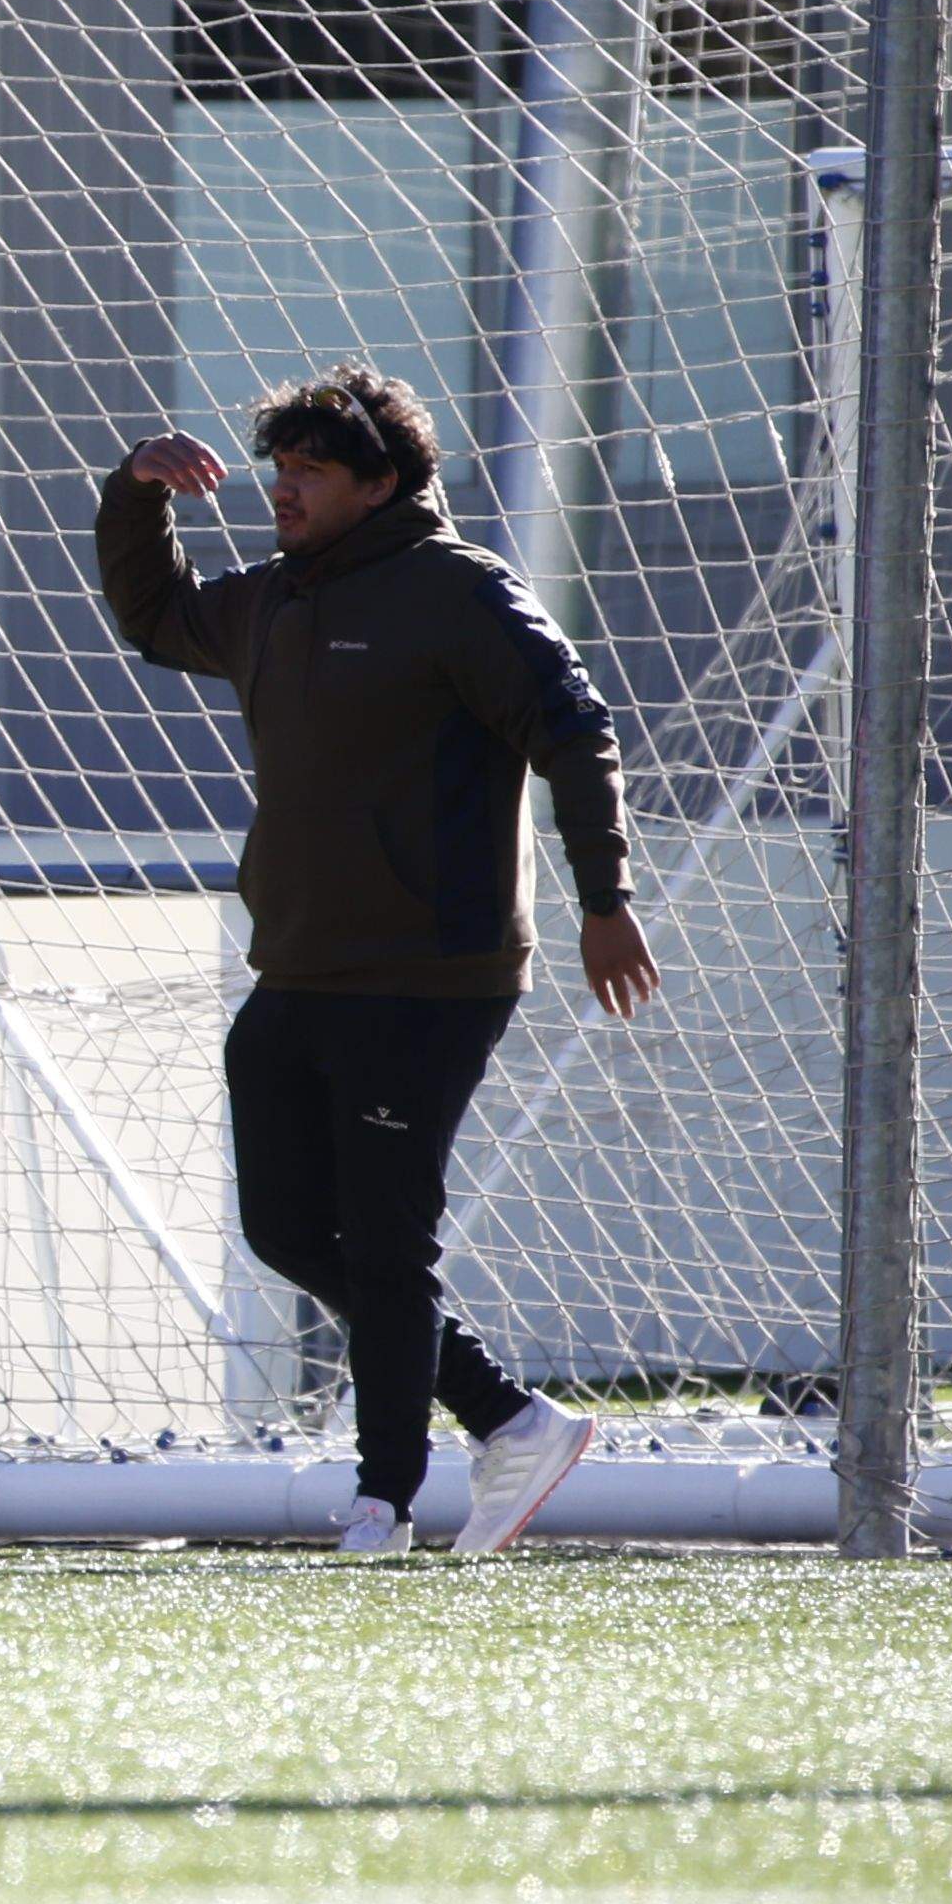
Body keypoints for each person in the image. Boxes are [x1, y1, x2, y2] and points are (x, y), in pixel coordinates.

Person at [100, 362, 651, 1558]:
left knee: (388, 1243)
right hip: (297, 968)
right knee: (290, 1230)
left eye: (310, 473)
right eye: (278, 470)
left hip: (430, 977)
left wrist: (603, 899)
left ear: (380, 484)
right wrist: (136, 494)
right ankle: (509, 1418)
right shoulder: (274, 600)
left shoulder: (457, 593)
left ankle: (383, 1505)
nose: (282, 493)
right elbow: (151, 618)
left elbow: (577, 731)